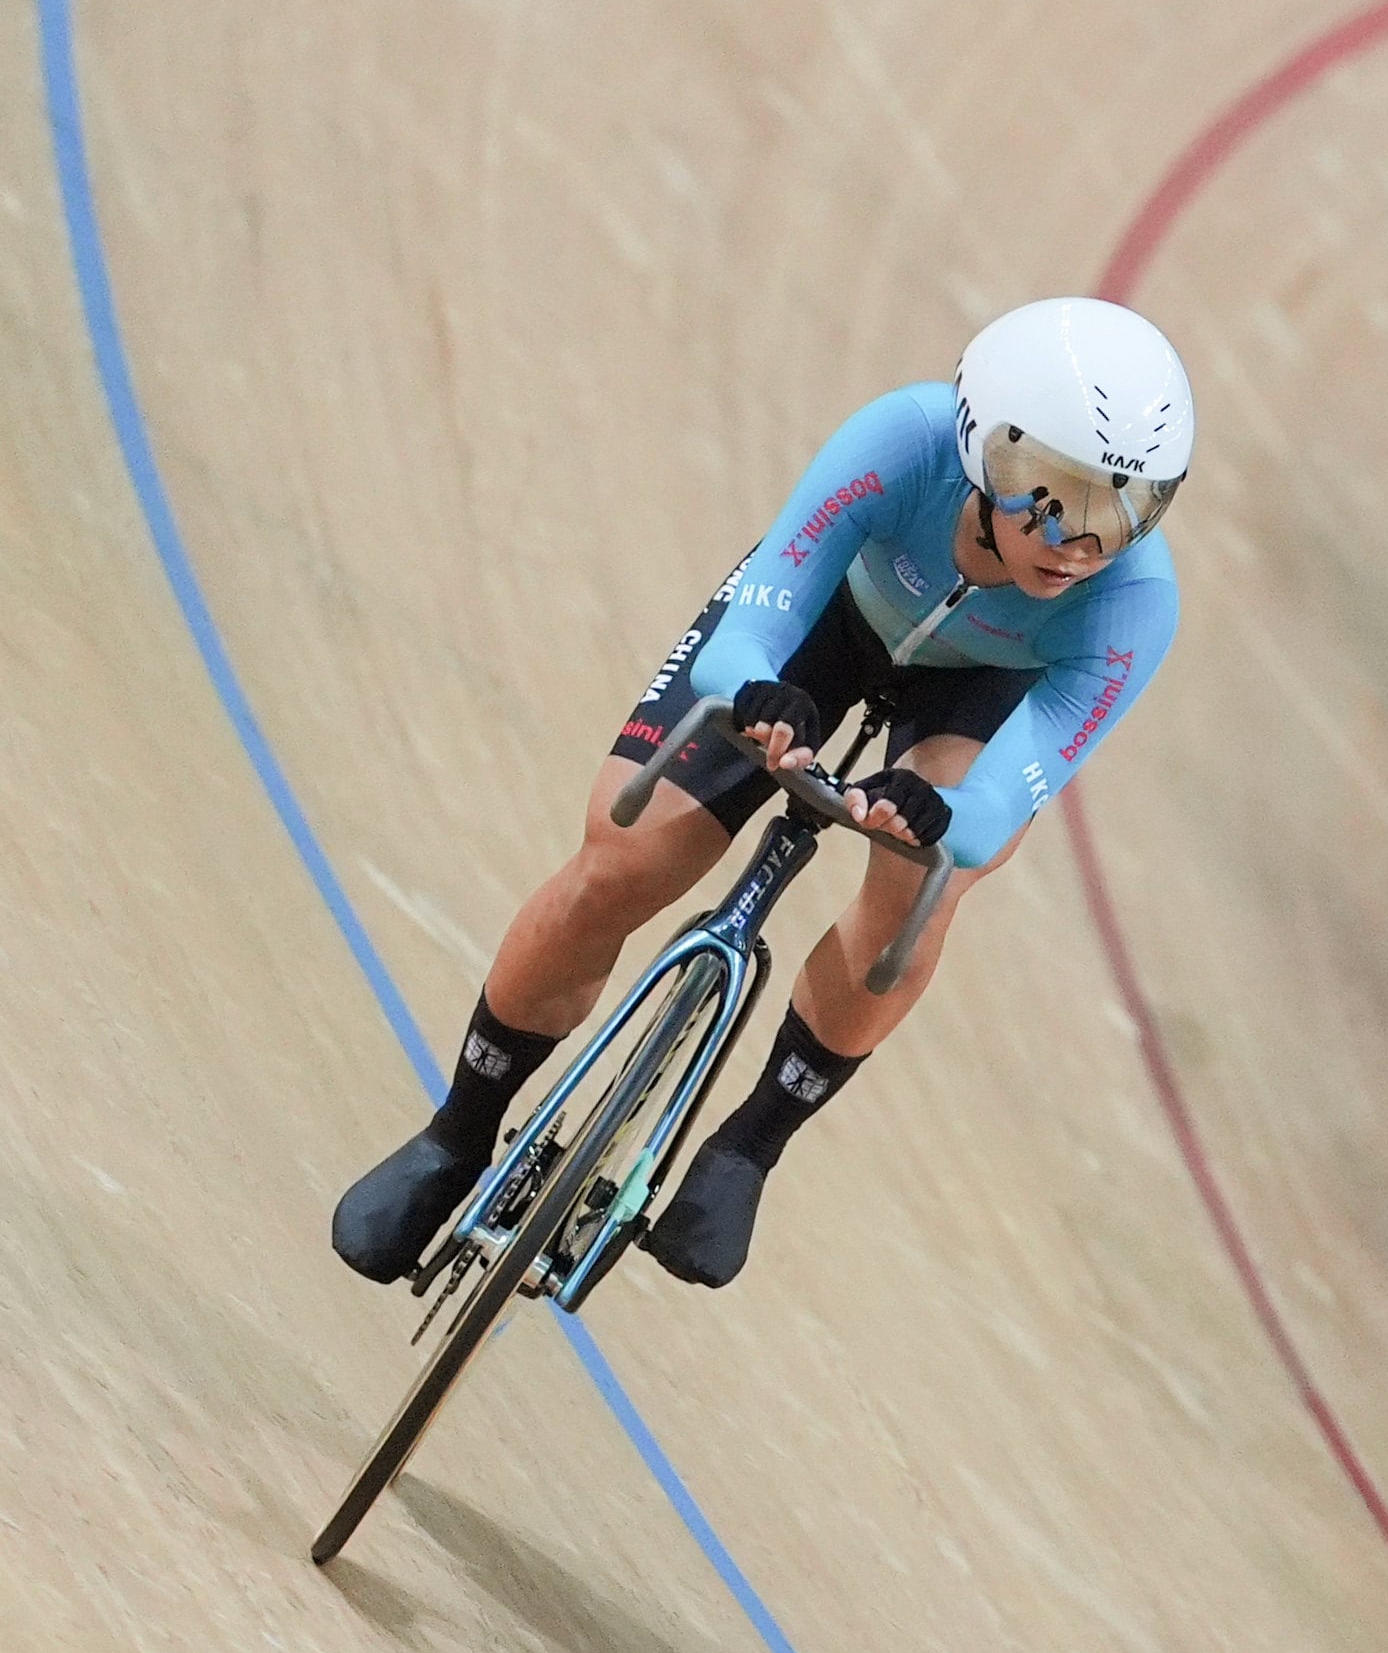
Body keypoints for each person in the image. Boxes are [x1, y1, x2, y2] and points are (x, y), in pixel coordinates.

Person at [327, 299, 1193, 1290]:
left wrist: (940, 819)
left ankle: (747, 1145)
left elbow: (1012, 788)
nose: (1081, 541)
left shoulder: (1135, 603)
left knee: (924, 890)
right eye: (1052, 493)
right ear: (976, 444)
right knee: (624, 862)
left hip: (975, 698)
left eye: (1125, 509)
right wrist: (750, 684)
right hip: (819, 623)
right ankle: (456, 1134)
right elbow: (761, 611)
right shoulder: (898, 440)